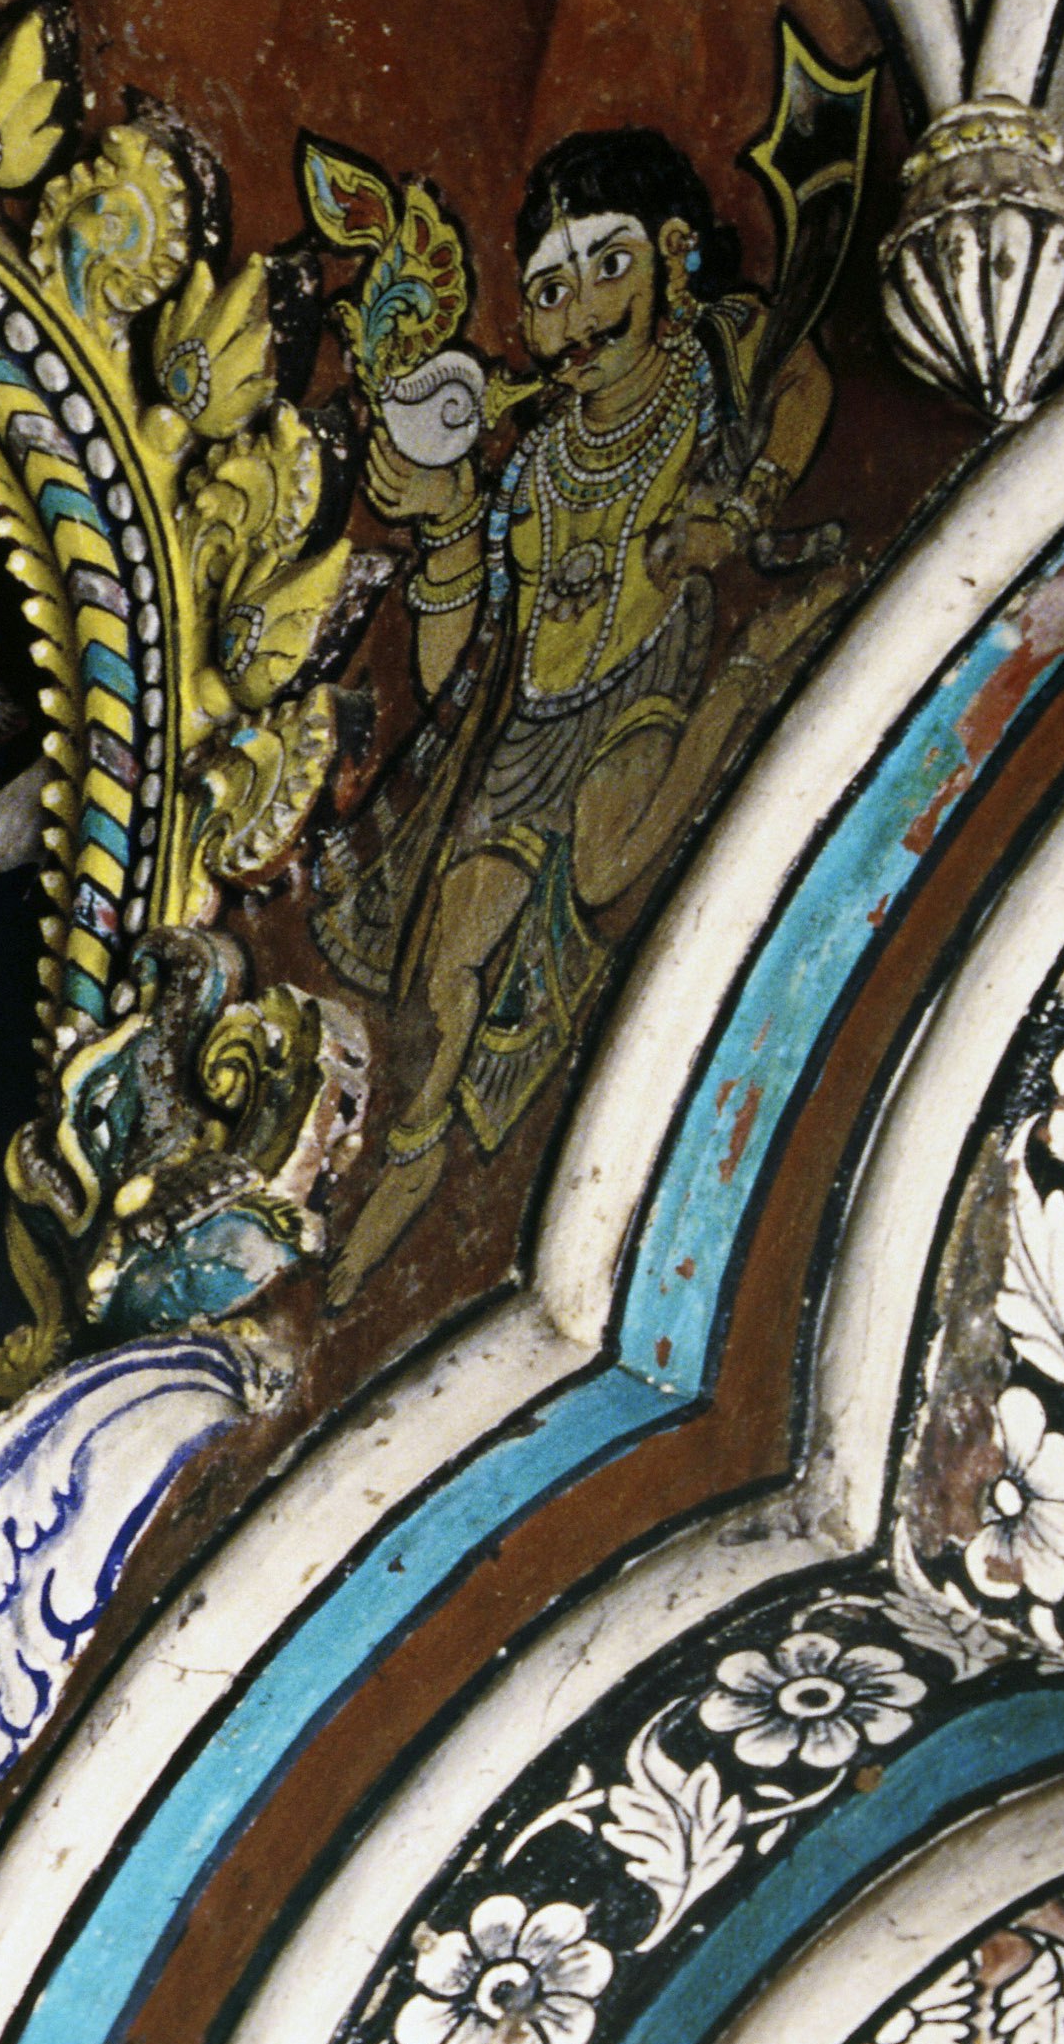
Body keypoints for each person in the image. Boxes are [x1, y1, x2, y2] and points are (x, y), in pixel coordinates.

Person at [314, 133, 836, 1282]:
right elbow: (462, 674)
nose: (577, 313)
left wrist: (743, 503)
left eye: (608, 269)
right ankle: (400, 1176)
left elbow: (805, 388)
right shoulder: (537, 460)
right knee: (439, 977)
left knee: (605, 866)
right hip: (528, 731)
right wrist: (449, 526)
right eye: (549, 292)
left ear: (672, 257)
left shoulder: (719, 358)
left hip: (649, 680)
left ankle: (749, 685)